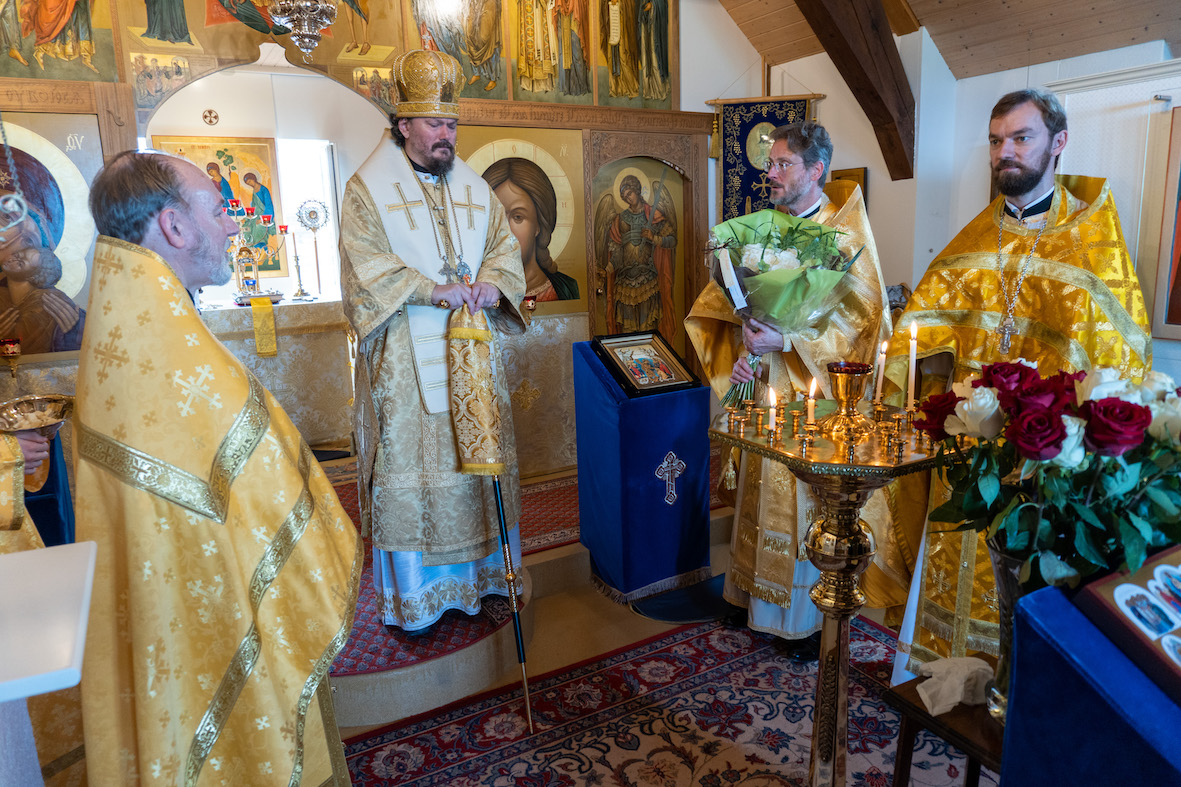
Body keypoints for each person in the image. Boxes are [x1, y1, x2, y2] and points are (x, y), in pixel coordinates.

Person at [76, 150, 361, 784]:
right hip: (216, 610)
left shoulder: (128, 324)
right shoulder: (162, 352)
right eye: (218, 209)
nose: (235, 225)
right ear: (174, 228)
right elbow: (263, 482)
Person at [881, 88, 1152, 672]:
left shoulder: (1093, 245)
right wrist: (914, 372)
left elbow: (1119, 352)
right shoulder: (974, 239)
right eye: (997, 140)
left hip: (1044, 457)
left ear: (1058, 143)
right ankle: (933, 673)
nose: (1005, 151)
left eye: (1020, 138)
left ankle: (1012, 689)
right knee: (952, 554)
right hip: (968, 447)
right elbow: (914, 337)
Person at [685, 121, 893, 658]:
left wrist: (790, 338)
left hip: (815, 393)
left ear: (815, 171)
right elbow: (725, 303)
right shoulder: (759, 229)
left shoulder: (844, 237)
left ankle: (803, 619)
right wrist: (743, 342)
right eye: (769, 164)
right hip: (762, 383)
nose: (769, 173)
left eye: (782, 165)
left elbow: (864, 323)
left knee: (802, 496)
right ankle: (749, 594)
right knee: (757, 485)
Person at [339, 49, 528, 632]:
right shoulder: (367, 189)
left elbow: (501, 245)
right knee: (418, 463)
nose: (447, 136)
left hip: (471, 352)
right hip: (406, 354)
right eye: (435, 124)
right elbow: (362, 267)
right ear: (403, 125)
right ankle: (421, 597)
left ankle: (488, 577)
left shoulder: (471, 185)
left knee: (479, 462)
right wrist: (431, 289)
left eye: (452, 124)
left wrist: (496, 285)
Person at [483, 156, 579, 303]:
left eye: (518, 217)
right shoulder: (475, 293)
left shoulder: (567, 290)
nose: (505, 230)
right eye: (496, 216)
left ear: (538, 225)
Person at [601, 173, 677, 338]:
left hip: (647, 279)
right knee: (627, 333)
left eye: (629, 193)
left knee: (648, 331)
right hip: (625, 282)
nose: (628, 198)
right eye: (624, 196)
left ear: (636, 190)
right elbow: (617, 251)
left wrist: (654, 238)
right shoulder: (619, 219)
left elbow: (671, 240)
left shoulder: (653, 215)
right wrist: (607, 269)